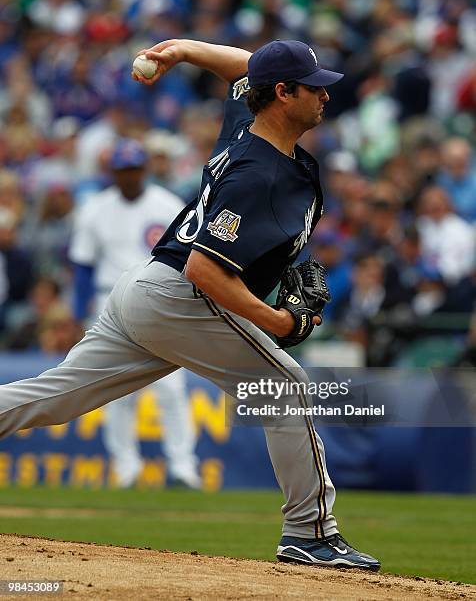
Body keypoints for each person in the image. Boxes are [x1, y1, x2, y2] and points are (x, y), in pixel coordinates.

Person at [0, 38, 380, 571]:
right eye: (313, 87)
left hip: (146, 289)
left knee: (58, 397)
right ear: (283, 94)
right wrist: (274, 319)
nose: (324, 96)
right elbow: (205, 268)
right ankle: (309, 533)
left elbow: (248, 67)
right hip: (181, 295)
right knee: (284, 388)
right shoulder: (259, 175)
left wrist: (184, 50)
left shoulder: (249, 124)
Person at [69, 137, 200, 489]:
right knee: (117, 392)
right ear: (113, 172)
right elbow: (82, 266)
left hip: (158, 300)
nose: (128, 176)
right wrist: (78, 313)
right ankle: (126, 469)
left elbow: (188, 259)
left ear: (144, 169)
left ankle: (183, 468)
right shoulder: (95, 208)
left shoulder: (167, 204)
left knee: (170, 389)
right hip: (107, 301)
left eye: (133, 168)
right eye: (122, 169)